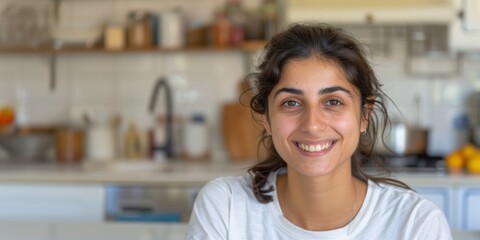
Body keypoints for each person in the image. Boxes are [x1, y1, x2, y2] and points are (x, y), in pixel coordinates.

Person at [185, 23, 452, 239]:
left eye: (333, 102)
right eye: (291, 103)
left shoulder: (416, 225)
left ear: (364, 115)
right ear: (266, 118)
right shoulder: (226, 207)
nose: (312, 124)